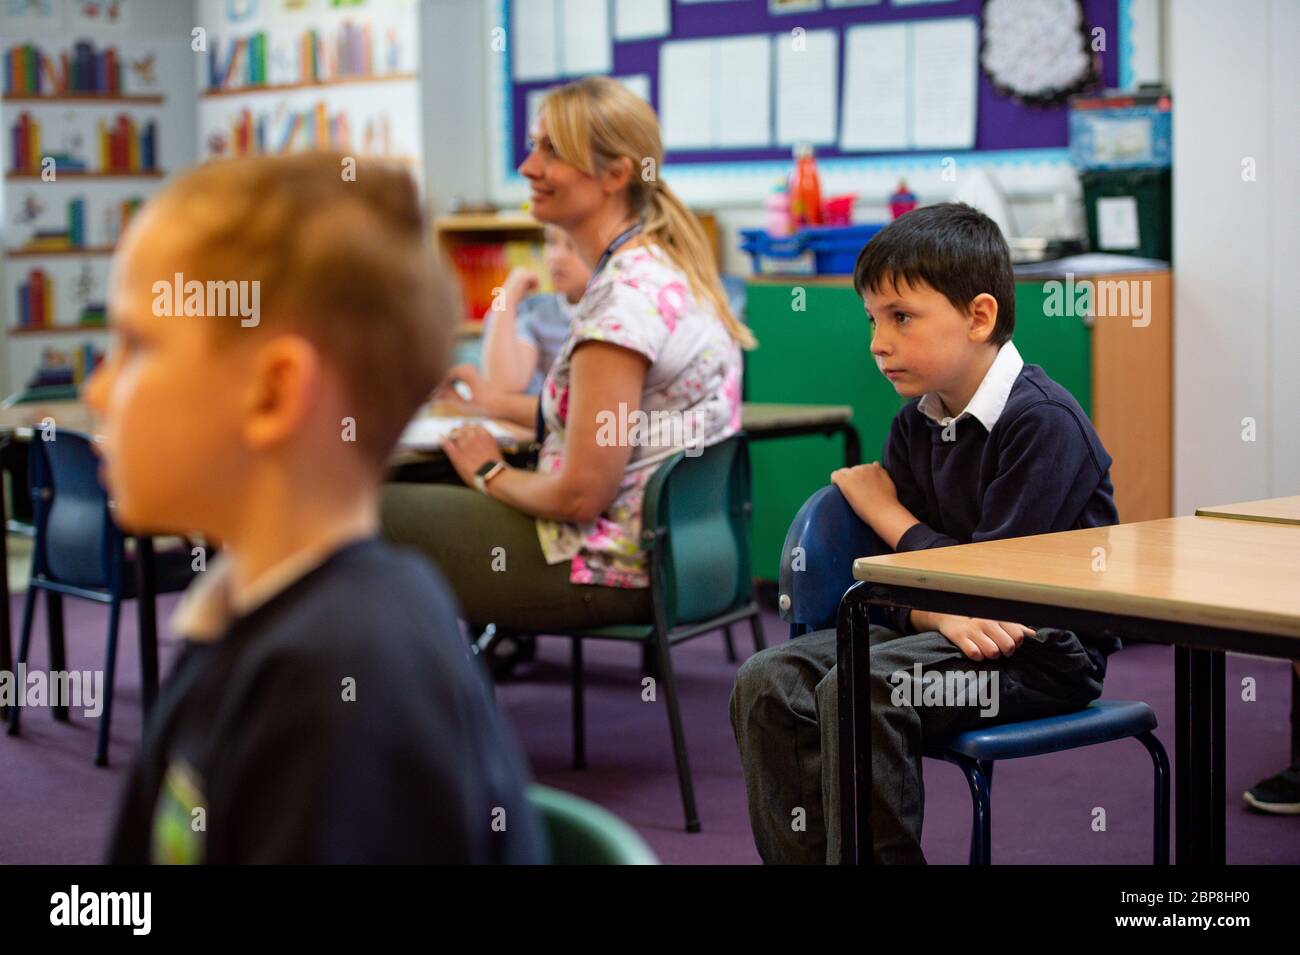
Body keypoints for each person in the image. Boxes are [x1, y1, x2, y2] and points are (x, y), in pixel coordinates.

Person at [93, 153, 543, 864]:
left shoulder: (345, 677)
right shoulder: (242, 609)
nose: (98, 390)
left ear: (273, 394)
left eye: (135, 345)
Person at [730, 202, 1120, 865]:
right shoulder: (914, 425)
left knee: (867, 686)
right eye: (872, 320)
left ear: (979, 317)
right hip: (939, 631)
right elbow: (880, 582)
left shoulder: (1043, 422)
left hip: (1042, 651)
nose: (878, 342)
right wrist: (926, 606)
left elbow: (990, 585)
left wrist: (889, 516)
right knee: (767, 679)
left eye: (901, 317)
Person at [381, 76, 753, 633]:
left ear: (615, 175)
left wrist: (487, 469)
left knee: (359, 509)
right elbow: (603, 424)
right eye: (533, 146)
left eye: (550, 151)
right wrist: (493, 409)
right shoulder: (665, 273)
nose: (528, 167)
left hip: (600, 563)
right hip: (679, 555)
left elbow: (579, 495)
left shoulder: (621, 304)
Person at [440, 226, 592, 429]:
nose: (556, 256)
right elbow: (503, 383)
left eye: (571, 246)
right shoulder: (535, 311)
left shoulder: (614, 311)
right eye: (551, 243)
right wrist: (506, 295)